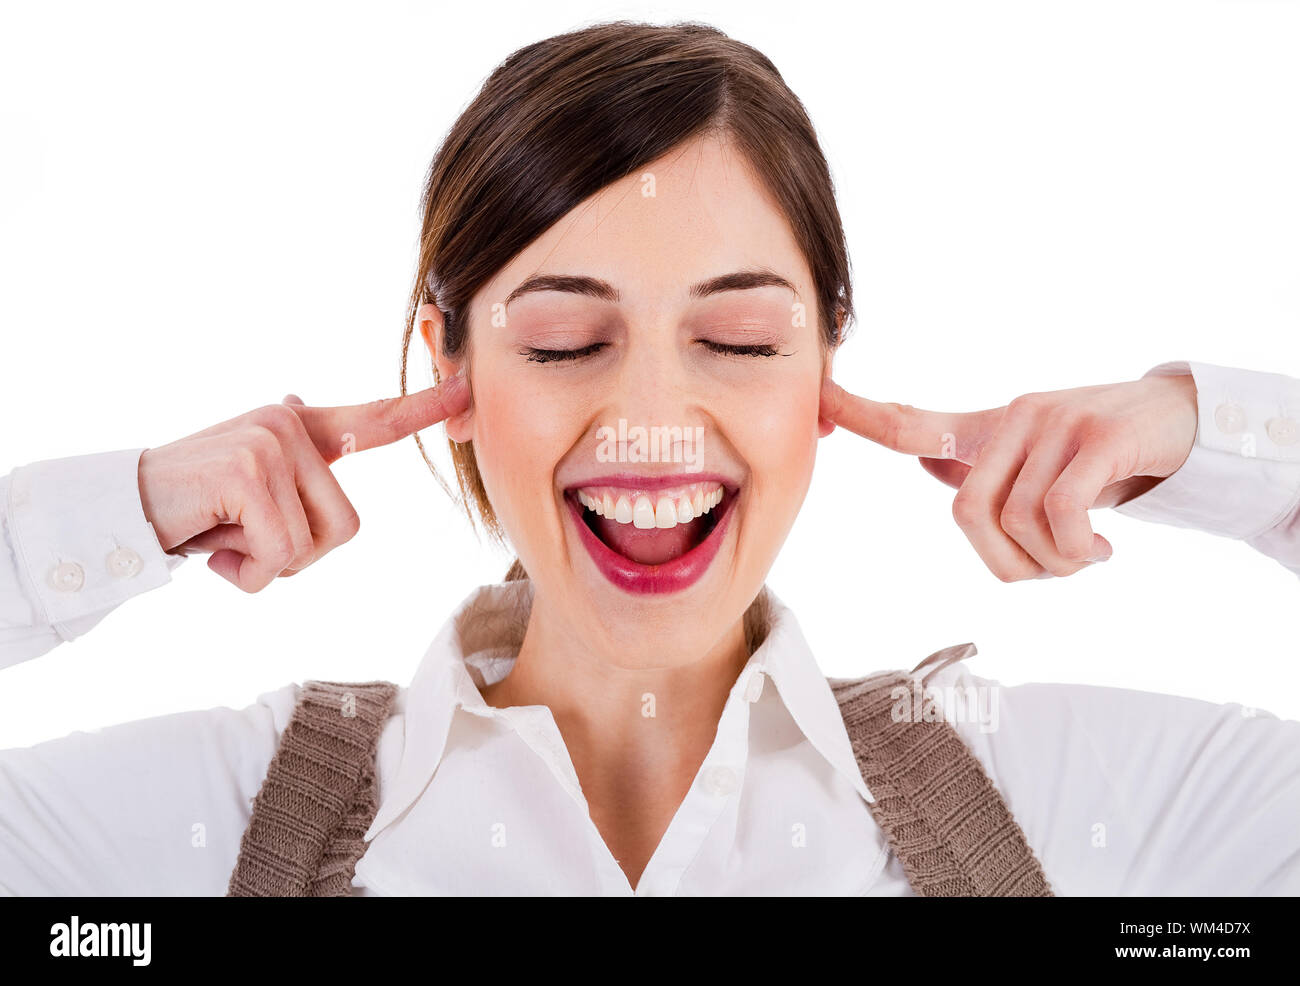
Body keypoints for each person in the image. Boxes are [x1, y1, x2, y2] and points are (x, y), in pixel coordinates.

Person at [2, 20, 1297, 896]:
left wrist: (1193, 434)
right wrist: (127, 512)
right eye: (566, 340)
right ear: (449, 368)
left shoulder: (1075, 816)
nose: (650, 416)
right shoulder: (214, 830)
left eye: (737, 335)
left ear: (825, 364)